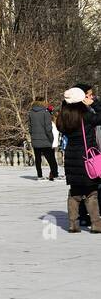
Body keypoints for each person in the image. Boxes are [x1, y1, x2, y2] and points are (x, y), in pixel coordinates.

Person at [57, 88, 101, 233]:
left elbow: (60, 128)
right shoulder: (85, 115)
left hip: (70, 156)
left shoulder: (64, 115)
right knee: (91, 193)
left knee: (74, 193)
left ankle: (73, 224)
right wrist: (94, 103)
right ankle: (96, 224)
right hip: (86, 156)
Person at [27, 98, 59, 181]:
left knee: (38, 159)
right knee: (51, 159)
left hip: (35, 139)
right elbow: (48, 128)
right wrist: (51, 139)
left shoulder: (31, 113)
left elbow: (30, 127)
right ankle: (55, 174)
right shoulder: (45, 113)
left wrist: (33, 135)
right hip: (45, 140)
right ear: (43, 102)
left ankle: (39, 175)